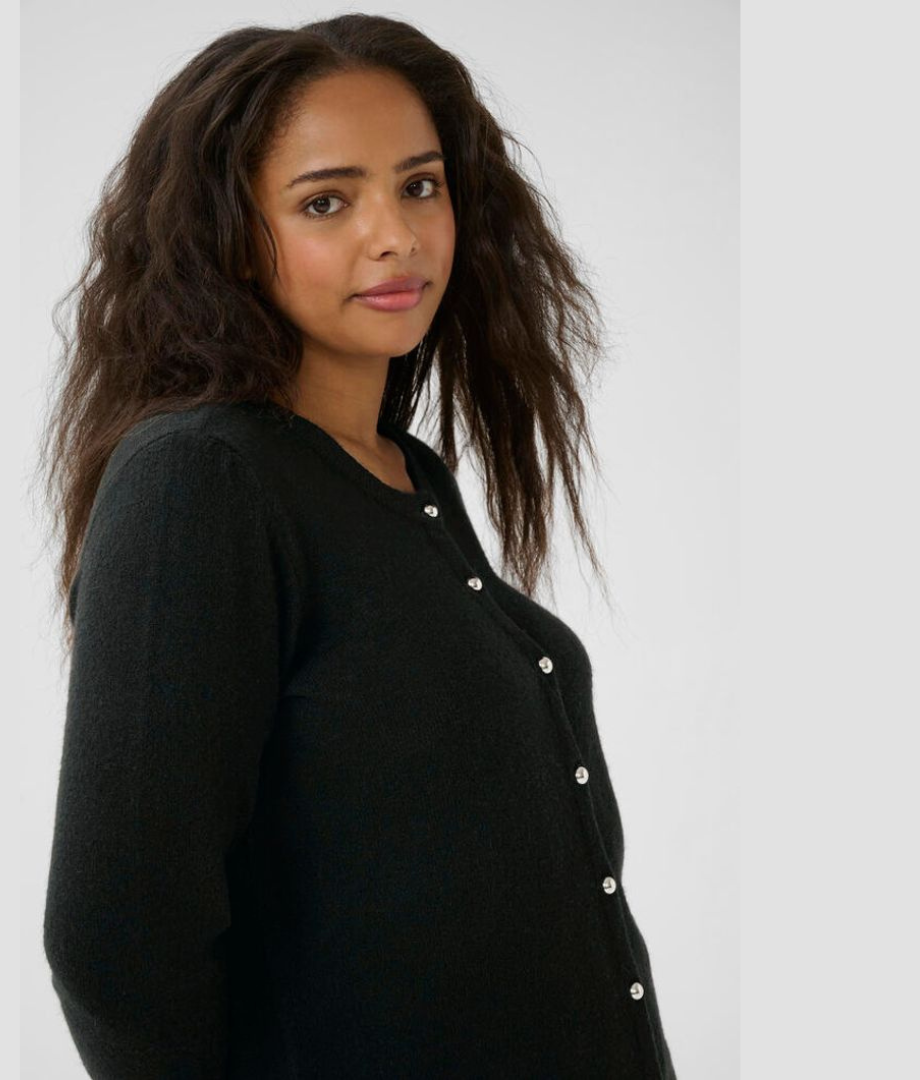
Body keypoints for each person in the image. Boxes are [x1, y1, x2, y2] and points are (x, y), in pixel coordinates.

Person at [38, 13, 677, 1079]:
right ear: (228, 234)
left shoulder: (405, 473)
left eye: (420, 186)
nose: (397, 235)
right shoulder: (202, 480)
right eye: (326, 201)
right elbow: (117, 944)